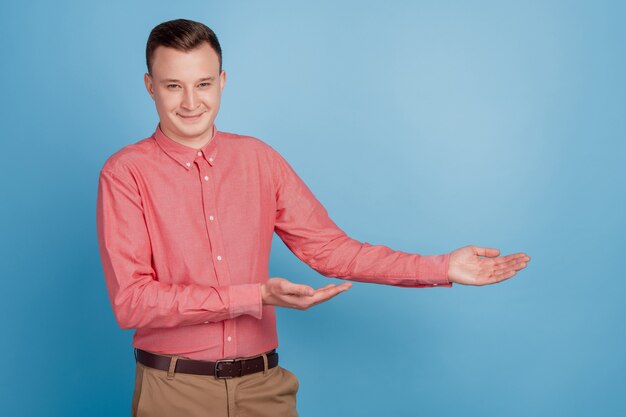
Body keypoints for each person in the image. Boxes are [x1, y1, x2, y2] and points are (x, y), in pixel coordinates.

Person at [96, 18, 530, 417]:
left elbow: (330, 249)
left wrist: (440, 266)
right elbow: (133, 301)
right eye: (174, 86)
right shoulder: (125, 173)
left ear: (223, 82)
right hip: (175, 392)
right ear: (150, 86)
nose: (191, 102)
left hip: (264, 388)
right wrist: (255, 295)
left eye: (203, 83)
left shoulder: (260, 160)